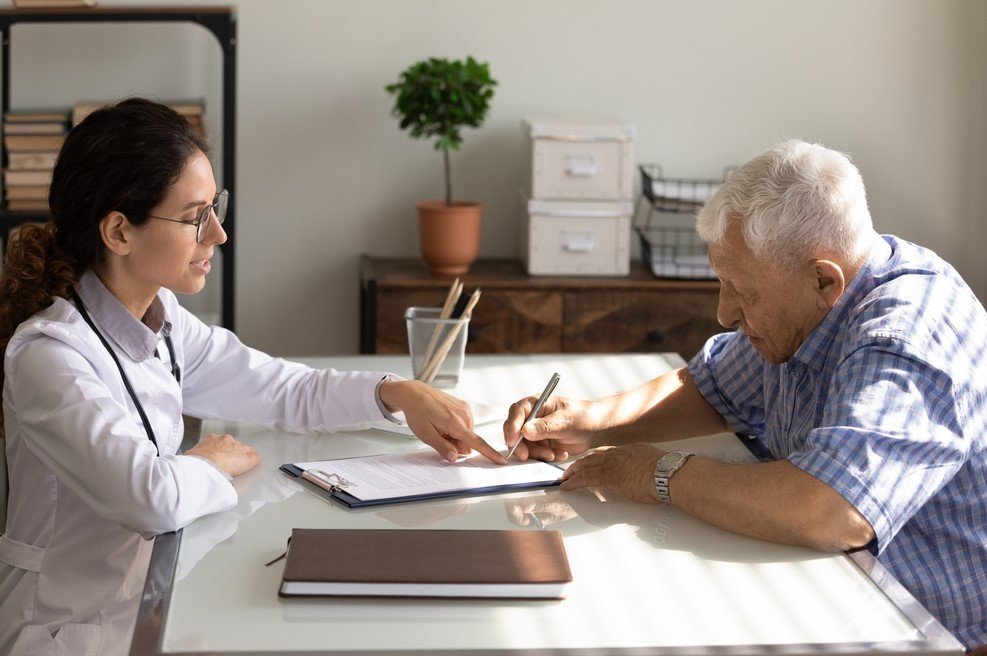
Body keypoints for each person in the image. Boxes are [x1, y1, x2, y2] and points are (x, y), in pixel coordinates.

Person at [0, 97, 505, 655]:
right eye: (195, 216)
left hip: (143, 604)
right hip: (63, 632)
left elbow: (285, 389)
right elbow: (149, 496)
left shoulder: (161, 320)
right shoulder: (51, 357)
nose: (216, 233)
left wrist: (395, 393)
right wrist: (208, 460)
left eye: (215, 207)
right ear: (119, 232)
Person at [504, 140, 986, 651]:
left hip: (933, 629)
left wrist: (658, 473)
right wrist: (584, 418)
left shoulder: (906, 336)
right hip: (840, 590)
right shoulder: (811, 300)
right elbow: (709, 388)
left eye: (743, 291)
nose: (725, 313)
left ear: (823, 278)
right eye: (722, 283)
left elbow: (831, 509)